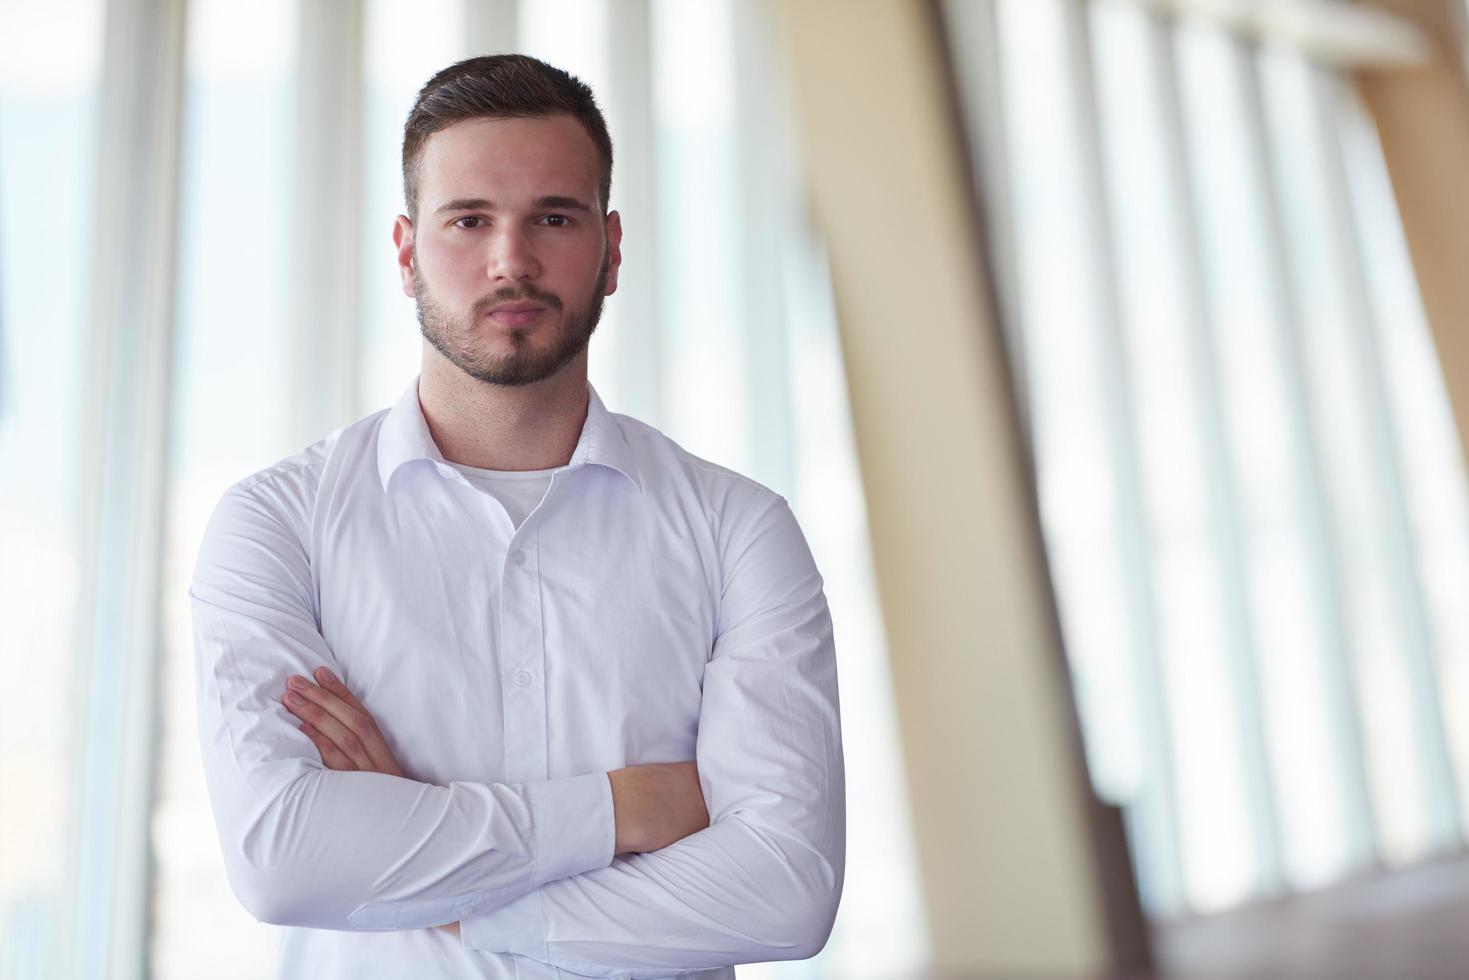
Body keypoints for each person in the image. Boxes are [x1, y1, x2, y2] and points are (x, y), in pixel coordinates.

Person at [191, 53, 845, 979]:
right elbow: (283, 862)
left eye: (553, 217)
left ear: (611, 251)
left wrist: (443, 882)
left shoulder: (737, 528)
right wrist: (627, 808)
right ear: (408, 251)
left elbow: (787, 887)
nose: (512, 260)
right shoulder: (275, 526)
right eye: (468, 220)